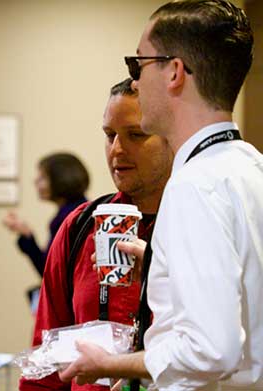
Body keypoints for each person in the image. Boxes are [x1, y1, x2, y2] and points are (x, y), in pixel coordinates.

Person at [59, 1, 263, 390]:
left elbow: (211, 350)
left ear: (174, 72)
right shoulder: (251, 168)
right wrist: (162, 266)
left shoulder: (194, 186)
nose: (134, 82)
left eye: (139, 65)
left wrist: (115, 362)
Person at [19, 78, 172, 391]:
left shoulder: (197, 227)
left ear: (173, 140)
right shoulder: (80, 226)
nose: (117, 149)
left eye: (135, 135)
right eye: (109, 135)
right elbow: (46, 360)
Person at [3, 153, 88, 314]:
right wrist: (27, 234)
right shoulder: (79, 211)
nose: (35, 181)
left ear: (61, 180)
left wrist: (28, 238)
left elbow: (50, 273)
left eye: (42, 177)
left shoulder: (69, 219)